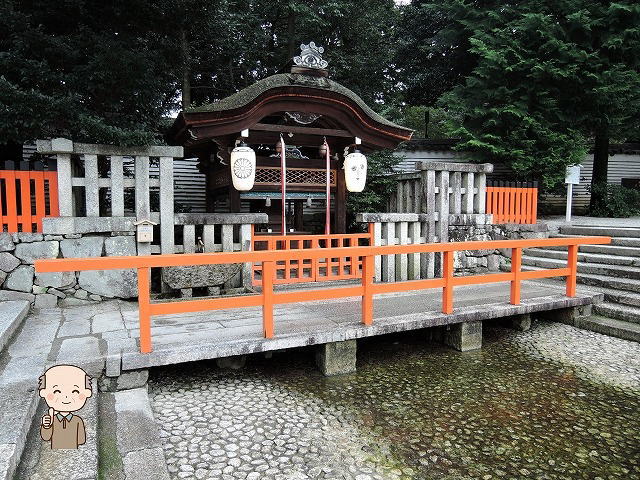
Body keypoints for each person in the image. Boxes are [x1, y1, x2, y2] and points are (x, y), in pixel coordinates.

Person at [38, 364, 92, 449]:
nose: (66, 396)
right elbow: (81, 440)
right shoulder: (75, 420)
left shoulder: (77, 420)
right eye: (56, 391)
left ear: (86, 393)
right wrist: (46, 425)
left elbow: (81, 440)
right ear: (44, 392)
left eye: (74, 391)